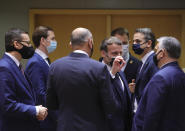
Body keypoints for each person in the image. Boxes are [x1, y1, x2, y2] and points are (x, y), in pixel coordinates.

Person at [46, 27, 119, 131]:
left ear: (70, 44)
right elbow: (110, 106)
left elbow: (51, 103)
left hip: (65, 126)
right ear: (90, 42)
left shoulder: (55, 66)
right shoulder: (98, 68)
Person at [132, 36, 185, 131]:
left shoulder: (160, 78)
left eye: (156, 50)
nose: (155, 54)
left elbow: (151, 115)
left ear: (162, 53)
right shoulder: (181, 74)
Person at [0, 28, 48, 131]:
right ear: (16, 44)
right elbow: (7, 105)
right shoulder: (4, 67)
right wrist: (35, 110)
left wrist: (36, 109)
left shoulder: (16, 66)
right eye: (28, 43)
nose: (30, 47)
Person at [25, 26, 57, 131]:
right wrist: (57, 113)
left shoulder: (45, 60)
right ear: (43, 40)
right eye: (52, 39)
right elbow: (40, 94)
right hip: (44, 120)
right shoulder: (35, 62)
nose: (55, 42)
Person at [100, 36, 132, 131]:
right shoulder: (96, 71)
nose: (119, 56)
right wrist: (112, 73)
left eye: (120, 53)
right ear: (103, 53)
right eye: (114, 53)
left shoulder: (121, 72)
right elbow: (102, 97)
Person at [131, 28, 158, 113]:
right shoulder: (142, 62)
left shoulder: (153, 62)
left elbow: (154, 91)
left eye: (138, 41)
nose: (134, 44)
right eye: (133, 41)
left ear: (149, 43)